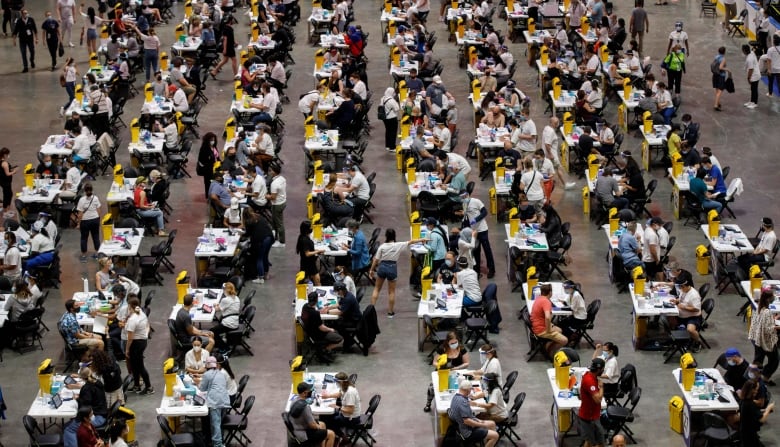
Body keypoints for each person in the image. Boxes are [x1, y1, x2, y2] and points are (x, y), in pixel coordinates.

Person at [369, 229, 426, 317]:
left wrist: (371, 270)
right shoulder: (398, 245)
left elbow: (376, 260)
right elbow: (411, 242)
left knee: (376, 289)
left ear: (386, 236)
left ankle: (371, 312)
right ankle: (390, 313)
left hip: (382, 267)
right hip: (392, 268)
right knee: (391, 292)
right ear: (394, 236)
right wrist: (421, 240)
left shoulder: (382, 247)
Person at [449, 380, 499, 447]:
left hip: (463, 427)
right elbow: (467, 421)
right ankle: (488, 440)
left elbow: (469, 417)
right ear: (468, 390)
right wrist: (481, 425)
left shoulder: (455, 397)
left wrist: (479, 421)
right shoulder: (463, 402)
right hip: (468, 432)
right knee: (495, 436)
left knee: (492, 424)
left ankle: (487, 443)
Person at [458, 188, 495, 278]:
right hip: (474, 232)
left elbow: (485, 212)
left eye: (464, 196)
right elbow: (466, 217)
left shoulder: (476, 201)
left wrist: (476, 219)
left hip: (482, 230)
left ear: (467, 195)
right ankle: (477, 271)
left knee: (487, 250)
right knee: (476, 251)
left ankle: (491, 269)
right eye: (462, 197)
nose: (463, 198)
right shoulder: (464, 204)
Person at [289, 382, 337, 447]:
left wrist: (318, 426)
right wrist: (318, 427)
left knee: (323, 424)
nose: (310, 392)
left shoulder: (294, 400)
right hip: (303, 434)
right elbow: (312, 425)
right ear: (304, 393)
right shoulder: (305, 407)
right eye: (309, 391)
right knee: (331, 434)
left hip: (296, 428)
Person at [301, 291, 343, 360]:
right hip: (318, 335)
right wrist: (330, 329)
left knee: (331, 329)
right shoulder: (315, 314)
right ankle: (325, 349)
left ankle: (324, 349)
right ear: (316, 300)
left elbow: (313, 316)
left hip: (310, 331)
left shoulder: (305, 306)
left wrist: (319, 311)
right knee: (340, 339)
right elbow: (322, 328)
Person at [748, 289, 779, 385]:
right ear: (768, 299)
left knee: (758, 360)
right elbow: (768, 329)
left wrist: (774, 318)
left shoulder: (758, 308)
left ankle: (750, 377)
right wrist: (778, 327)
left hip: (756, 339)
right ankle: (765, 377)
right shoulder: (767, 312)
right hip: (765, 341)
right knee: (774, 360)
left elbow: (762, 322)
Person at [199, 356, 231, 447]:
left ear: (207, 365)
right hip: (224, 400)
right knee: (219, 423)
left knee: (215, 424)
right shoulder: (220, 373)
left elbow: (202, 388)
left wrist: (198, 382)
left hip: (215, 402)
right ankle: (221, 441)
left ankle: (217, 444)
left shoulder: (207, 374)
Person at [124, 296, 152, 394]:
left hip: (136, 343)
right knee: (134, 365)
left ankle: (149, 387)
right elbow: (148, 325)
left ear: (129, 306)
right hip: (142, 341)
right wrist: (145, 334)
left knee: (140, 366)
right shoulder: (141, 313)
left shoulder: (133, 319)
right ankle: (136, 385)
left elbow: (130, 337)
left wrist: (127, 350)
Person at [531, 283, 568, 357]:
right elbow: (547, 317)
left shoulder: (539, 298)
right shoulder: (546, 302)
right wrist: (549, 330)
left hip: (536, 326)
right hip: (541, 329)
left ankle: (548, 344)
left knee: (559, 330)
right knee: (565, 340)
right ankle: (549, 350)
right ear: (550, 292)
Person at [671, 276, 703, 351]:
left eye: (681, 287)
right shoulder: (683, 290)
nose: (680, 289)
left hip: (693, 317)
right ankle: (678, 338)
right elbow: (681, 299)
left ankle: (697, 343)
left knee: (690, 330)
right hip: (682, 315)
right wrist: (676, 301)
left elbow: (696, 309)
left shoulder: (694, 295)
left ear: (685, 286)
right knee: (670, 319)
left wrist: (684, 307)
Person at [739, 379, 775, 446]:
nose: (757, 391)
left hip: (745, 431)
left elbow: (753, 413)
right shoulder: (750, 404)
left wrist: (764, 410)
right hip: (749, 433)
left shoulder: (743, 400)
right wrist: (768, 409)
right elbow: (761, 419)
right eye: (756, 389)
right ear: (752, 390)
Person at [579, 357, 606, 447]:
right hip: (589, 418)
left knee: (594, 442)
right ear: (599, 369)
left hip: (593, 416)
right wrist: (601, 387)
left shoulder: (589, 376)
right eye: (602, 369)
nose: (603, 371)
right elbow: (598, 400)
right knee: (592, 443)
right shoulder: (590, 381)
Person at [75, 183, 101, 262]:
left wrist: (79, 224)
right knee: (96, 237)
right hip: (95, 220)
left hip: (85, 221)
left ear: (85, 191)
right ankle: (97, 254)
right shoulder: (95, 198)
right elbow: (99, 210)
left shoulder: (82, 200)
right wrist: (98, 220)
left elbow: (80, 214)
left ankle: (84, 256)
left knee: (84, 238)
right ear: (92, 190)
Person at [266, 163, 287, 248]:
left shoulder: (274, 183)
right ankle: (276, 238)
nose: (270, 172)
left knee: (279, 223)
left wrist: (265, 196)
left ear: (274, 172)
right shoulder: (282, 179)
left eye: (271, 170)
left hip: (277, 204)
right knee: (276, 222)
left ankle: (281, 242)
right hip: (282, 201)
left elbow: (273, 197)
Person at [12, 8, 36, 72]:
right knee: (23, 53)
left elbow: (35, 29)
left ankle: (32, 60)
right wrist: (14, 40)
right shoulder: (19, 21)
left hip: (30, 39)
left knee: (32, 51)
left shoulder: (31, 20)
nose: (26, 14)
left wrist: (37, 38)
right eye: (25, 13)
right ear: (22, 14)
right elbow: (15, 31)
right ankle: (25, 67)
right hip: (22, 40)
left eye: (26, 13)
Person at [197, 133, 220, 199]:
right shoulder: (204, 149)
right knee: (208, 184)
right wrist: (210, 160)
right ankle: (209, 197)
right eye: (211, 140)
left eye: (214, 140)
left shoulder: (214, 147)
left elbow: (217, 156)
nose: (213, 141)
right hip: (208, 170)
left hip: (215, 168)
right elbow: (201, 160)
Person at [381, 87, 400, 152]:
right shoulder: (391, 100)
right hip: (392, 118)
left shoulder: (383, 98)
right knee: (393, 132)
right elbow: (397, 108)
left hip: (385, 118)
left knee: (388, 131)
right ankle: (392, 147)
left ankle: (388, 145)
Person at [742, 44, 761, 109]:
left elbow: (751, 69)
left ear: (744, 51)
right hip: (755, 75)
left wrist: (748, 78)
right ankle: (752, 101)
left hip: (754, 76)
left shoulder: (749, 59)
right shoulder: (752, 53)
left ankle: (755, 103)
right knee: (753, 89)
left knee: (754, 89)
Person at [0, 148, 17, 217]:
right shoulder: (4, 163)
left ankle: (7, 209)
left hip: (2, 181)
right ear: (5, 155)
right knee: (8, 195)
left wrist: (11, 169)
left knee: (7, 194)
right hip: (6, 182)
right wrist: (14, 172)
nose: (8, 156)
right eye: (7, 154)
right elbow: (7, 174)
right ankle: (6, 210)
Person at [712, 47, 728, 111]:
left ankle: (718, 102)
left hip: (715, 75)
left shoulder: (716, 57)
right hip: (721, 76)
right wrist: (727, 69)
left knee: (717, 89)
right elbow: (721, 68)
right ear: (724, 52)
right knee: (720, 90)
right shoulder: (723, 59)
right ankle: (716, 104)